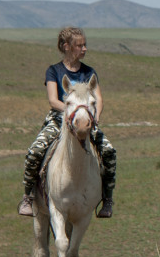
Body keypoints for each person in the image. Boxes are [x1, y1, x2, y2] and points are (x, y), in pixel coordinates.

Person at [17, 26, 117, 218]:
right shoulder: (54, 71)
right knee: (35, 151)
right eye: (79, 45)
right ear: (66, 47)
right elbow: (53, 100)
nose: (84, 48)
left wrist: (94, 116)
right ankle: (28, 197)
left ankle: (107, 199)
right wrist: (73, 113)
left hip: (86, 121)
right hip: (59, 119)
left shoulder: (89, 72)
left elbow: (99, 99)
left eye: (85, 45)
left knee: (109, 151)